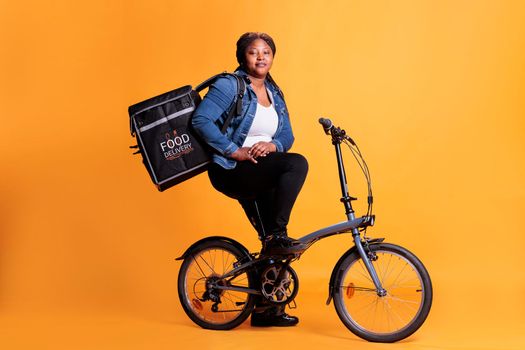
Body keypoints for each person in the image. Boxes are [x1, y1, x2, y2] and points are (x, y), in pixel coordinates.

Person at [192, 32, 308, 327]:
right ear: (243, 57)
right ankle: (276, 234)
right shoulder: (229, 85)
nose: (260, 57)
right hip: (232, 170)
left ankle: (266, 311)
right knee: (297, 165)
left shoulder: (274, 92)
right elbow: (201, 120)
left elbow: (287, 135)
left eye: (266, 52)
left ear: (272, 57)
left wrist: (273, 145)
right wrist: (234, 151)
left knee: (273, 242)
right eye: (254, 52)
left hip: (262, 169)